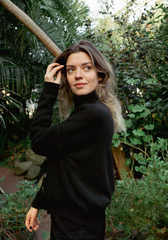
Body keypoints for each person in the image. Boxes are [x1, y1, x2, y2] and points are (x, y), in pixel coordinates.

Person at [25, 40, 125, 240]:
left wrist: (48, 91)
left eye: (86, 68)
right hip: (73, 217)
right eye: (71, 70)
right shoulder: (86, 111)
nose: (78, 75)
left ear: (100, 75)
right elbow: (63, 163)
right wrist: (38, 202)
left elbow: (39, 142)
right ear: (65, 77)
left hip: (79, 226)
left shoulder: (93, 114)